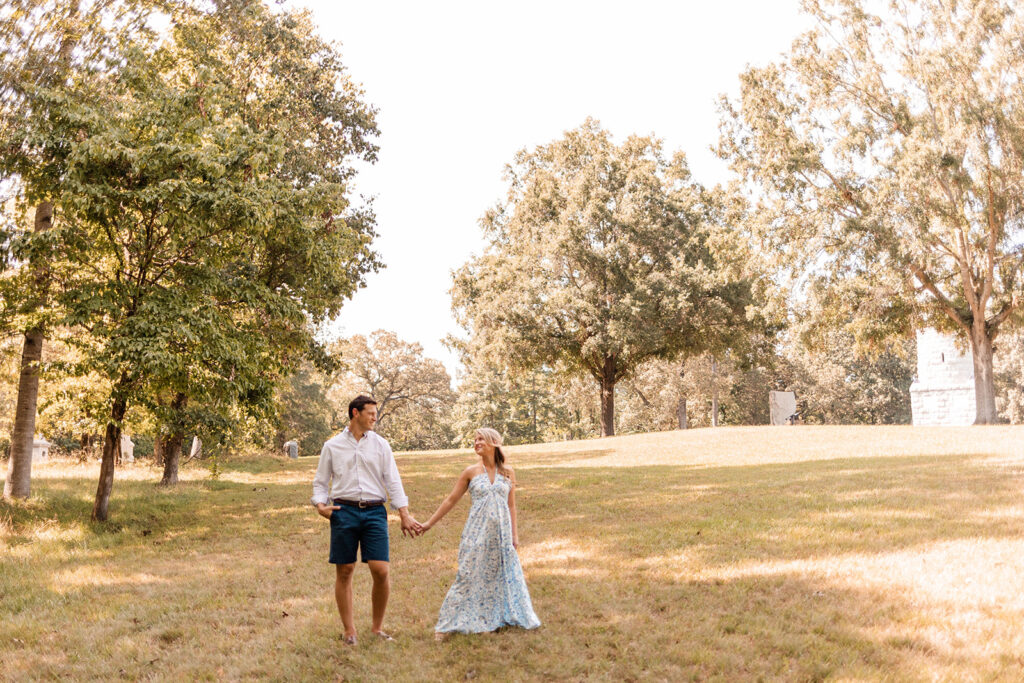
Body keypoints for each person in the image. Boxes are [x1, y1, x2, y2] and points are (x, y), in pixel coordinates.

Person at [311, 395, 422, 645]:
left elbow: (393, 480)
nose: (375, 417)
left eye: (375, 413)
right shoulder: (332, 446)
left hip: (374, 511)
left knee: (381, 570)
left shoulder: (381, 445)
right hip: (343, 511)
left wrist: (403, 513)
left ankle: (376, 629)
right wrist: (320, 505)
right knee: (345, 570)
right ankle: (350, 631)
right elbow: (320, 482)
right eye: (371, 413)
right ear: (355, 413)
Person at [422, 427, 541, 639]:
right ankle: (445, 626)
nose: (476, 443)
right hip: (476, 532)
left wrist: (515, 535)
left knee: (496, 577)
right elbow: (451, 500)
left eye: (481, 439)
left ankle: (489, 619)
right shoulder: (470, 472)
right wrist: (429, 523)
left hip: (501, 535)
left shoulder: (508, 473)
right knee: (467, 575)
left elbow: (511, 506)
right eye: (475, 440)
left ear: (493, 443)